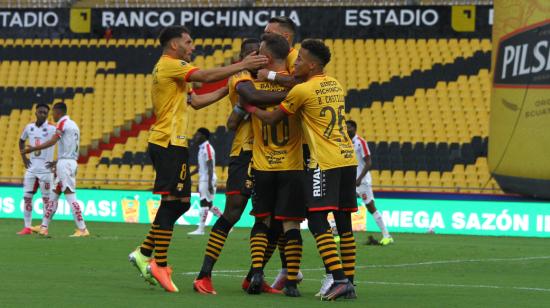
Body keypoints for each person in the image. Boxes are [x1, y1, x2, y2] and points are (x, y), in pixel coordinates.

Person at [127, 26, 267, 293]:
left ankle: (145, 251)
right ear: (174, 45)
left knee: (177, 204)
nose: (193, 47)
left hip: (169, 141)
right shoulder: (172, 65)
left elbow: (197, 101)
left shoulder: (168, 70)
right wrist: (243, 64)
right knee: (173, 203)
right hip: (168, 141)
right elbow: (204, 75)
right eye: (189, 42)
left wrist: (229, 88)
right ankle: (159, 262)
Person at [244, 39, 357, 301]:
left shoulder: (303, 91)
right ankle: (349, 281)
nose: (295, 63)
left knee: (318, 220)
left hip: (324, 161)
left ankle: (339, 279)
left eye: (301, 59)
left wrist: (251, 107)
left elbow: (272, 118)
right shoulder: (336, 84)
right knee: (344, 223)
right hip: (347, 158)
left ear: (313, 64)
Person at [193, 38, 286, 295]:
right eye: (249, 54)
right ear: (242, 58)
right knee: (233, 213)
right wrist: (295, 93)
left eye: (258, 53)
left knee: (271, 219)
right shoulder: (240, 77)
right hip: (245, 153)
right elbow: (252, 97)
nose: (255, 57)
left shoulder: (272, 77)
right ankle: (204, 275)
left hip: (274, 156)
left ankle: (254, 275)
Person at [238, 33, 306, 297]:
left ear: (265, 57)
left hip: (263, 166)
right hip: (292, 165)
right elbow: (295, 85)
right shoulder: (297, 87)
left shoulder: (251, 86)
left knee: (262, 221)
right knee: (291, 224)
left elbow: (246, 101)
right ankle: (290, 282)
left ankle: (257, 272)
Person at [22, 102, 88, 238]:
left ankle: (82, 228)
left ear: (58, 112)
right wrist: (58, 162)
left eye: (53, 112)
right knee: (53, 196)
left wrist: (33, 149)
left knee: (71, 197)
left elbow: (53, 141)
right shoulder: (74, 125)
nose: (52, 115)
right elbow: (71, 147)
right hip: (67, 162)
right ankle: (44, 226)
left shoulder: (62, 123)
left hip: (66, 165)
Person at [346, 120, 393, 245]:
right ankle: (341, 235)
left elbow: (368, 162)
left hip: (362, 182)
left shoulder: (361, 142)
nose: (347, 129)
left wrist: (360, 178)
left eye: (349, 127)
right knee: (343, 206)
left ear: (355, 129)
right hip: (350, 181)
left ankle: (387, 235)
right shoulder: (345, 142)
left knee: (370, 207)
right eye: (345, 127)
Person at [16, 103, 56, 235]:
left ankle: (44, 227)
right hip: (31, 169)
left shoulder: (52, 128)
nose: (42, 114)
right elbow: (21, 141)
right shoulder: (29, 127)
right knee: (27, 197)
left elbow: (63, 143)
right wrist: (24, 158)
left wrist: (57, 161)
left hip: (46, 171)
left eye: (45, 112)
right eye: (40, 112)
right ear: (36, 112)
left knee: (46, 199)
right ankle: (27, 227)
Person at [188, 128, 222, 235]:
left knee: (203, 203)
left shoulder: (207, 147)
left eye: (198, 135)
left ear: (204, 136)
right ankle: (227, 225)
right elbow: (200, 166)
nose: (195, 136)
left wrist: (209, 183)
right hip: (204, 179)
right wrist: (189, 175)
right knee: (210, 205)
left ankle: (200, 230)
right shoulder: (202, 148)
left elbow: (210, 166)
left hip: (207, 179)